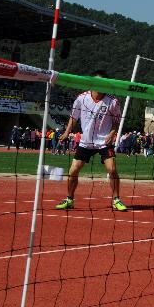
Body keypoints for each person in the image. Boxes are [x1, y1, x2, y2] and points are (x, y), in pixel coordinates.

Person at [55, 71, 127, 212]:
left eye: (103, 83)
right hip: (86, 141)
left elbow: (116, 121)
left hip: (103, 141)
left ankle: (116, 199)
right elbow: (73, 117)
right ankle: (69, 199)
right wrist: (67, 132)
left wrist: (112, 133)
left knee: (112, 169)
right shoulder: (82, 98)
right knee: (73, 170)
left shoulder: (113, 101)